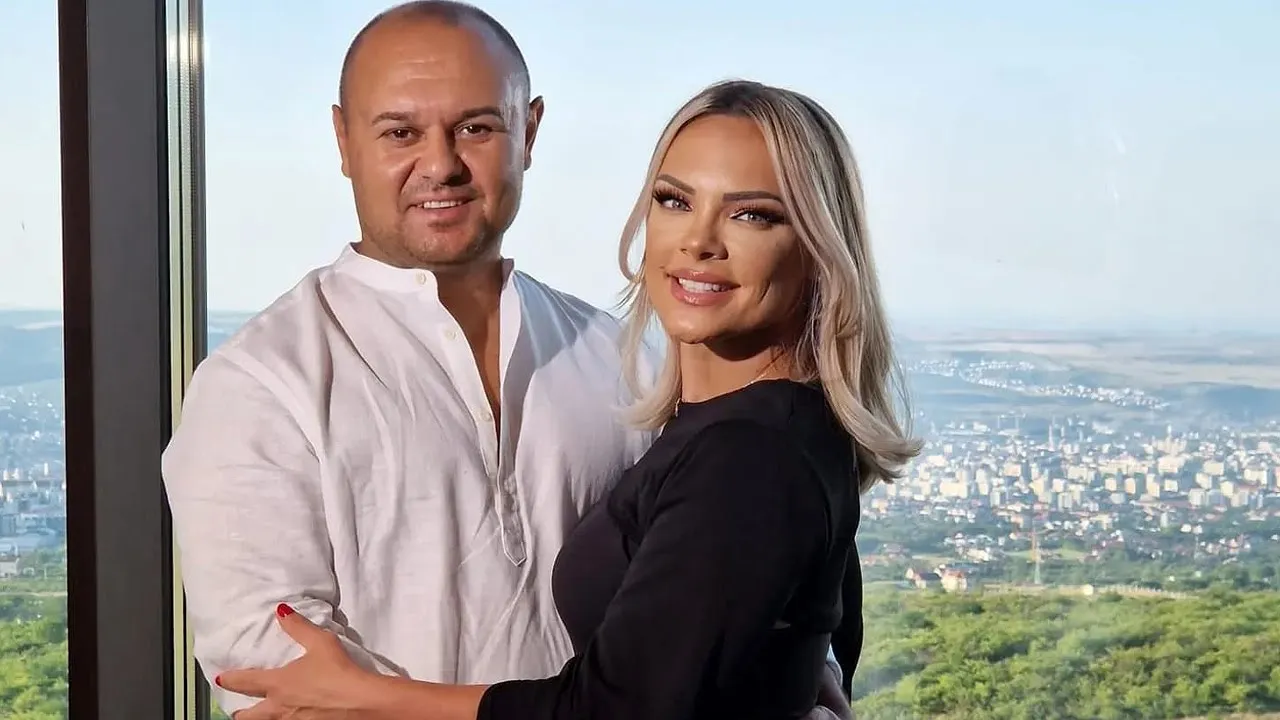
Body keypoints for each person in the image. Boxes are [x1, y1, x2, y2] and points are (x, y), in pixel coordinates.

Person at [162, 2, 854, 719]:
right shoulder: (259, 387)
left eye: (476, 128)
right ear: (343, 139)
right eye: (400, 132)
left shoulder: (622, 355)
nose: (441, 165)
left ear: (529, 132)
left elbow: (735, 566)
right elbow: (281, 690)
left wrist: (802, 676)